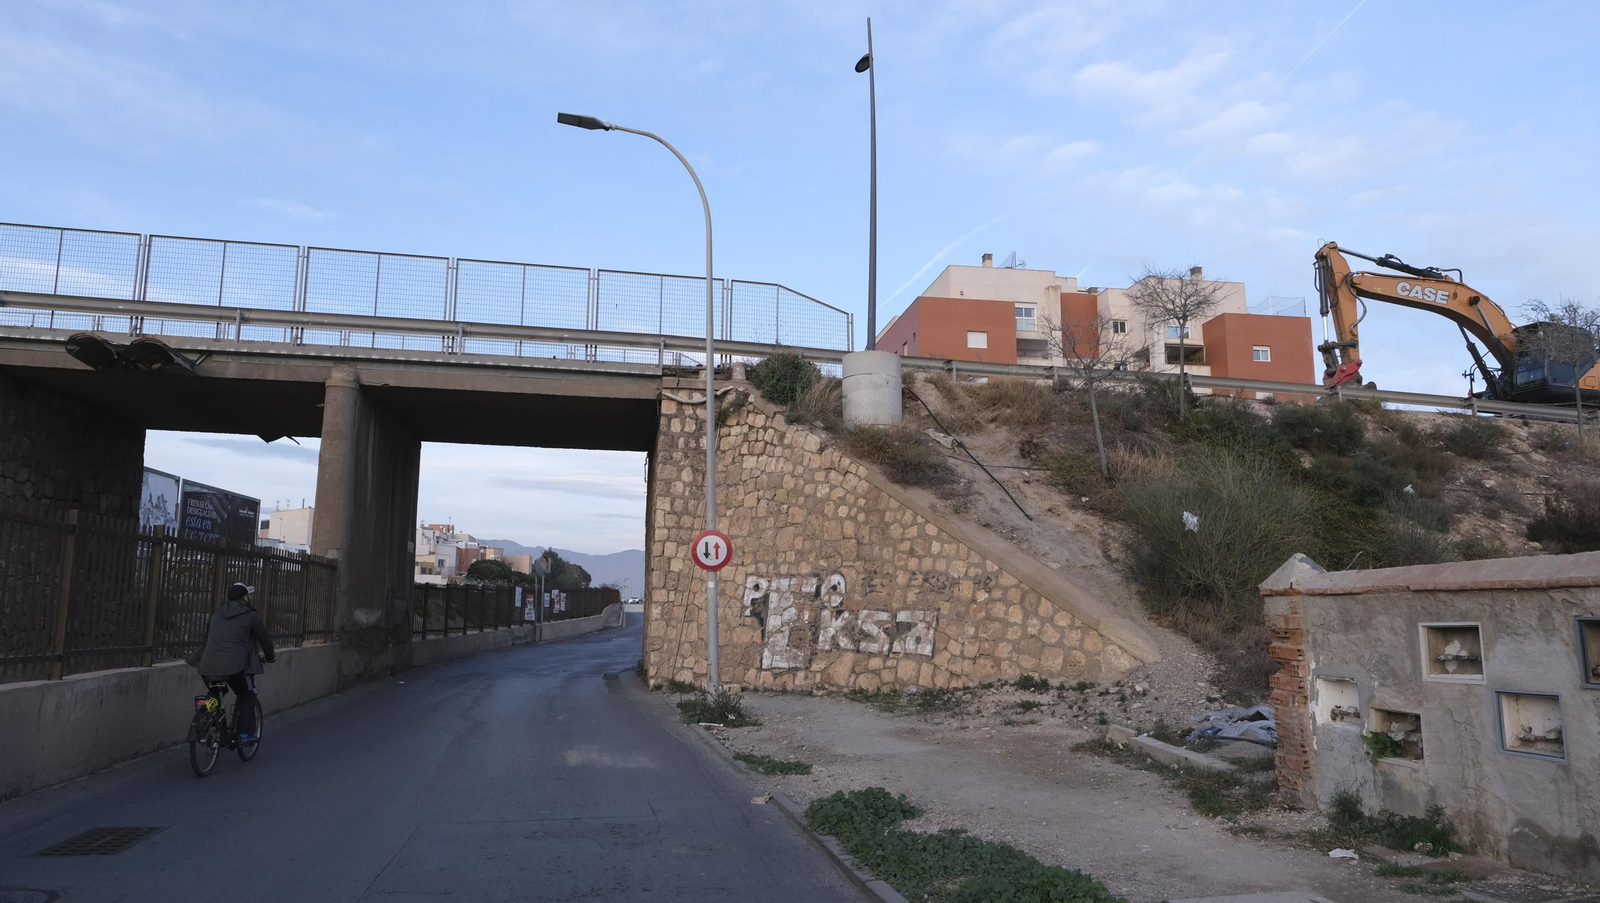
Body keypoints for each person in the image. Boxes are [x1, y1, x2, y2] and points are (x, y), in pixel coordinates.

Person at [186, 583, 275, 743]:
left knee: (214, 691)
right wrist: (270, 657)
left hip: (207, 666)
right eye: (249, 595)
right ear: (245, 598)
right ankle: (244, 735)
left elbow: (209, 635)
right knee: (246, 694)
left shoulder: (216, 614)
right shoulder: (251, 616)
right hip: (235, 667)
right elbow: (264, 639)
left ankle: (206, 720)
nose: (251, 597)